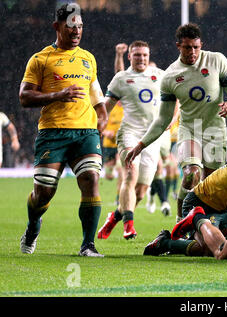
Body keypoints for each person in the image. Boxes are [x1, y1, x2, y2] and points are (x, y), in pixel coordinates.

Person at [125, 23, 227, 223]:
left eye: (196, 47)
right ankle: (180, 221)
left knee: (210, 188)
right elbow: (163, 119)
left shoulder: (216, 60)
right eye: (187, 47)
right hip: (190, 130)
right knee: (191, 174)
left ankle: (204, 224)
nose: (192, 52)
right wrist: (140, 145)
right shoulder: (170, 76)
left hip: (216, 133)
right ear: (178, 46)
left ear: (201, 45)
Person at [18, 4, 107, 257]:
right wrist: (58, 94)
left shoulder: (88, 58)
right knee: (43, 193)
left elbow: (94, 91)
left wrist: (101, 112)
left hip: (85, 132)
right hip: (53, 132)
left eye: (79, 26)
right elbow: (24, 97)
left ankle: (88, 245)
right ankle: (34, 224)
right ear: (57, 27)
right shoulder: (40, 59)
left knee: (91, 179)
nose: (76, 30)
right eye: (71, 26)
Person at [97, 40, 166, 240]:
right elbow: (106, 108)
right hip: (130, 133)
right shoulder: (121, 78)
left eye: (144, 55)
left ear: (149, 55)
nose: (141, 58)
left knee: (142, 191)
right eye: (136, 55)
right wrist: (98, 125)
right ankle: (129, 224)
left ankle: (114, 217)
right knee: (130, 174)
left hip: (152, 138)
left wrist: (172, 118)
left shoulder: (159, 75)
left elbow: (175, 98)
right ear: (130, 57)